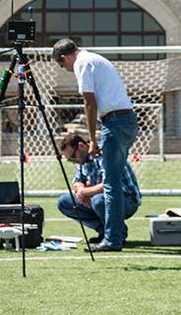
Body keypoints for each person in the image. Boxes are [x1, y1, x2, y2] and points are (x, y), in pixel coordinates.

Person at [52, 38, 138, 252]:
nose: (68, 70)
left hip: (115, 121)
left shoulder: (82, 63)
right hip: (125, 119)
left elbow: (89, 102)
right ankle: (111, 234)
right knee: (110, 184)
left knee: (110, 184)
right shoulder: (94, 58)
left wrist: (91, 138)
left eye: (63, 66)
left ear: (64, 58)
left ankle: (113, 239)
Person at [57, 134, 141, 245]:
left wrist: (85, 192)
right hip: (100, 197)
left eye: (73, 157)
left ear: (81, 146)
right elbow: (77, 180)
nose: (74, 161)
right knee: (64, 202)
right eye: (70, 160)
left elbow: (110, 184)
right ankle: (104, 231)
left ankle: (117, 234)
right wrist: (80, 188)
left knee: (98, 200)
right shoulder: (82, 159)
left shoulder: (103, 153)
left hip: (127, 200)